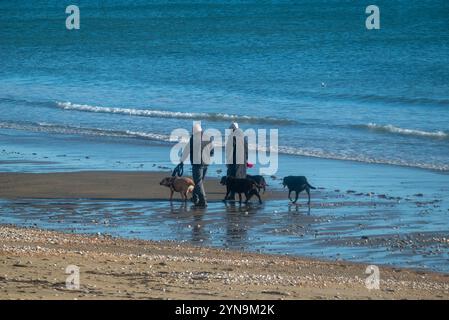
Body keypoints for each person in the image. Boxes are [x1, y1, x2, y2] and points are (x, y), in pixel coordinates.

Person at [180, 122, 214, 207]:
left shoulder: (194, 138)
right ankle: (195, 198)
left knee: (198, 182)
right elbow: (212, 151)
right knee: (200, 182)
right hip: (206, 162)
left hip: (197, 163)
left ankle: (203, 200)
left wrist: (182, 161)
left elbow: (187, 149)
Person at [225, 122, 248, 200]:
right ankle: (242, 196)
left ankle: (232, 195)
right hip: (243, 161)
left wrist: (228, 161)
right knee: (241, 178)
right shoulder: (243, 137)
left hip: (234, 161)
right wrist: (246, 159)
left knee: (232, 178)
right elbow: (246, 150)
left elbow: (229, 151)